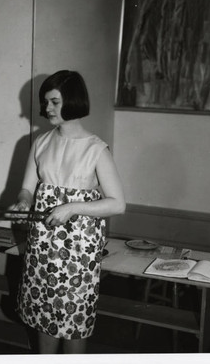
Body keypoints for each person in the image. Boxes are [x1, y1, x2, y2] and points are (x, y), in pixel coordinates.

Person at [11, 70, 126, 354]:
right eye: (46, 101)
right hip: (43, 246)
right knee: (43, 316)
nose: (46, 108)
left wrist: (72, 207)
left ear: (72, 102)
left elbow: (117, 203)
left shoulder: (96, 149)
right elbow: (27, 188)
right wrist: (23, 202)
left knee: (74, 320)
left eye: (54, 102)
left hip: (78, 251)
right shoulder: (41, 142)